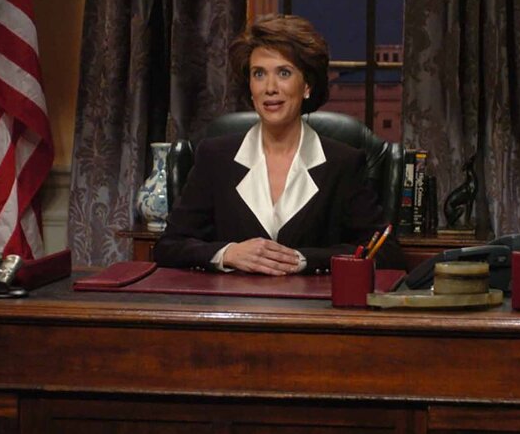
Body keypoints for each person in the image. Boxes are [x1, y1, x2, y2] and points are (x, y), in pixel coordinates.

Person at [154, 14, 402, 275]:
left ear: (307, 85)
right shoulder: (215, 157)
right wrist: (227, 253)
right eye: (259, 74)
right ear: (250, 87)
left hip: (311, 311)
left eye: (284, 73)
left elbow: (386, 252)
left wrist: (303, 260)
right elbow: (169, 246)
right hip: (231, 307)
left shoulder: (343, 162)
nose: (270, 87)